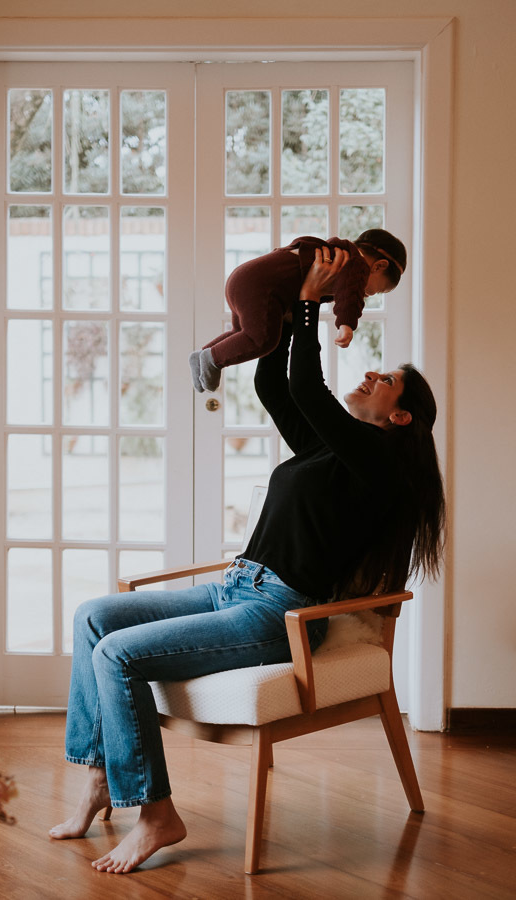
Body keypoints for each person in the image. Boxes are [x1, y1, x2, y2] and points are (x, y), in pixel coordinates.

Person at [50, 248, 445, 874]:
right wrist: (281, 316)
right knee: (94, 616)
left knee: (116, 654)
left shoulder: (378, 467)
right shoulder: (328, 450)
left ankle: (157, 815)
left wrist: (313, 302)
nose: (370, 376)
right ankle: (100, 780)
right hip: (236, 588)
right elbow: (274, 385)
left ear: (399, 418)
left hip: (278, 613)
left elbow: (306, 387)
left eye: (386, 381)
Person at [189, 229, 407, 393]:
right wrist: (346, 324)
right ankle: (212, 359)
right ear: (379, 266)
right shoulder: (355, 263)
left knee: (242, 334)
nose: (370, 294)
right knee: (262, 339)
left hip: (244, 277)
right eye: (380, 290)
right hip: (261, 286)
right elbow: (350, 297)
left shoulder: (334, 253)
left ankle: (201, 357)